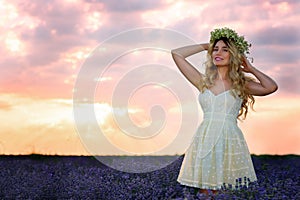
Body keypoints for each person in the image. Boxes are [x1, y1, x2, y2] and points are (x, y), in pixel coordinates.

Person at [171, 27, 278, 195]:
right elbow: (176, 54)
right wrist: (207, 45)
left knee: (225, 193)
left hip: (229, 139)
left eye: (225, 49)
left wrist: (250, 69)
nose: (218, 53)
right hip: (205, 137)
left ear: (233, 55)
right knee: (205, 192)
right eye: (216, 49)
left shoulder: (241, 85)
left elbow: (270, 87)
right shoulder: (203, 81)